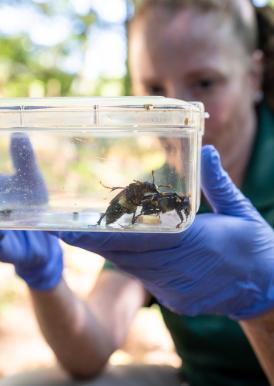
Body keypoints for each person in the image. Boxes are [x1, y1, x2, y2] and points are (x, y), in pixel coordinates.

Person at [1, 1, 274, 386]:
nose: (174, 112)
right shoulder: (168, 183)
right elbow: (90, 353)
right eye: (154, 89)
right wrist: (45, 276)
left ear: (254, 76)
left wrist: (264, 305)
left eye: (205, 83)